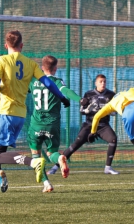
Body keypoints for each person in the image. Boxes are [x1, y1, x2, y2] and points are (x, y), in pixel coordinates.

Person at [0, 30, 70, 205]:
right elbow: (47, 82)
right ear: (21, 46)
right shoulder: (30, 63)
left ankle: (33, 162)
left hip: (6, 112)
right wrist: (62, 98)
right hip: (20, 116)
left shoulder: (1, 61)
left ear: (6, 45)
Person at [27, 55, 85, 193]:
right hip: (52, 125)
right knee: (52, 152)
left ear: (42, 67)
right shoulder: (57, 82)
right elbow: (66, 91)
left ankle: (47, 184)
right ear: (55, 68)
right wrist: (79, 99)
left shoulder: (33, 81)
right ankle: (59, 158)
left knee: (36, 156)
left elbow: (22, 89)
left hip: (36, 123)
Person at [47, 74, 119, 175]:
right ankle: (55, 167)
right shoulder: (89, 94)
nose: (103, 84)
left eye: (104, 82)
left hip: (103, 125)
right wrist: (88, 109)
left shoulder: (111, 95)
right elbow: (81, 110)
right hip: (89, 125)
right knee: (75, 145)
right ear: (96, 83)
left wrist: (111, 111)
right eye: (101, 81)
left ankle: (108, 167)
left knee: (113, 139)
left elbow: (115, 111)